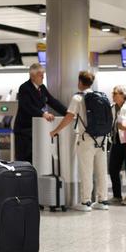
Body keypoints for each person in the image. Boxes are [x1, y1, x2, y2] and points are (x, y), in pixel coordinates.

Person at [50, 71, 109, 212]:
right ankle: (103, 200)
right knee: (102, 170)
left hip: (87, 139)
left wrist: (55, 130)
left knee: (86, 170)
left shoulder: (78, 98)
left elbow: (69, 117)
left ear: (80, 82)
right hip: (102, 139)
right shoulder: (101, 96)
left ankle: (86, 202)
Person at [14, 63, 67, 162]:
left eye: (43, 74)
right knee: (24, 158)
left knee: (36, 157)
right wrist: (43, 114)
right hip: (24, 130)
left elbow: (52, 101)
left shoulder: (42, 88)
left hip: (36, 129)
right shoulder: (24, 88)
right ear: (32, 76)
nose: (43, 77)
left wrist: (67, 113)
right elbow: (28, 107)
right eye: (40, 74)